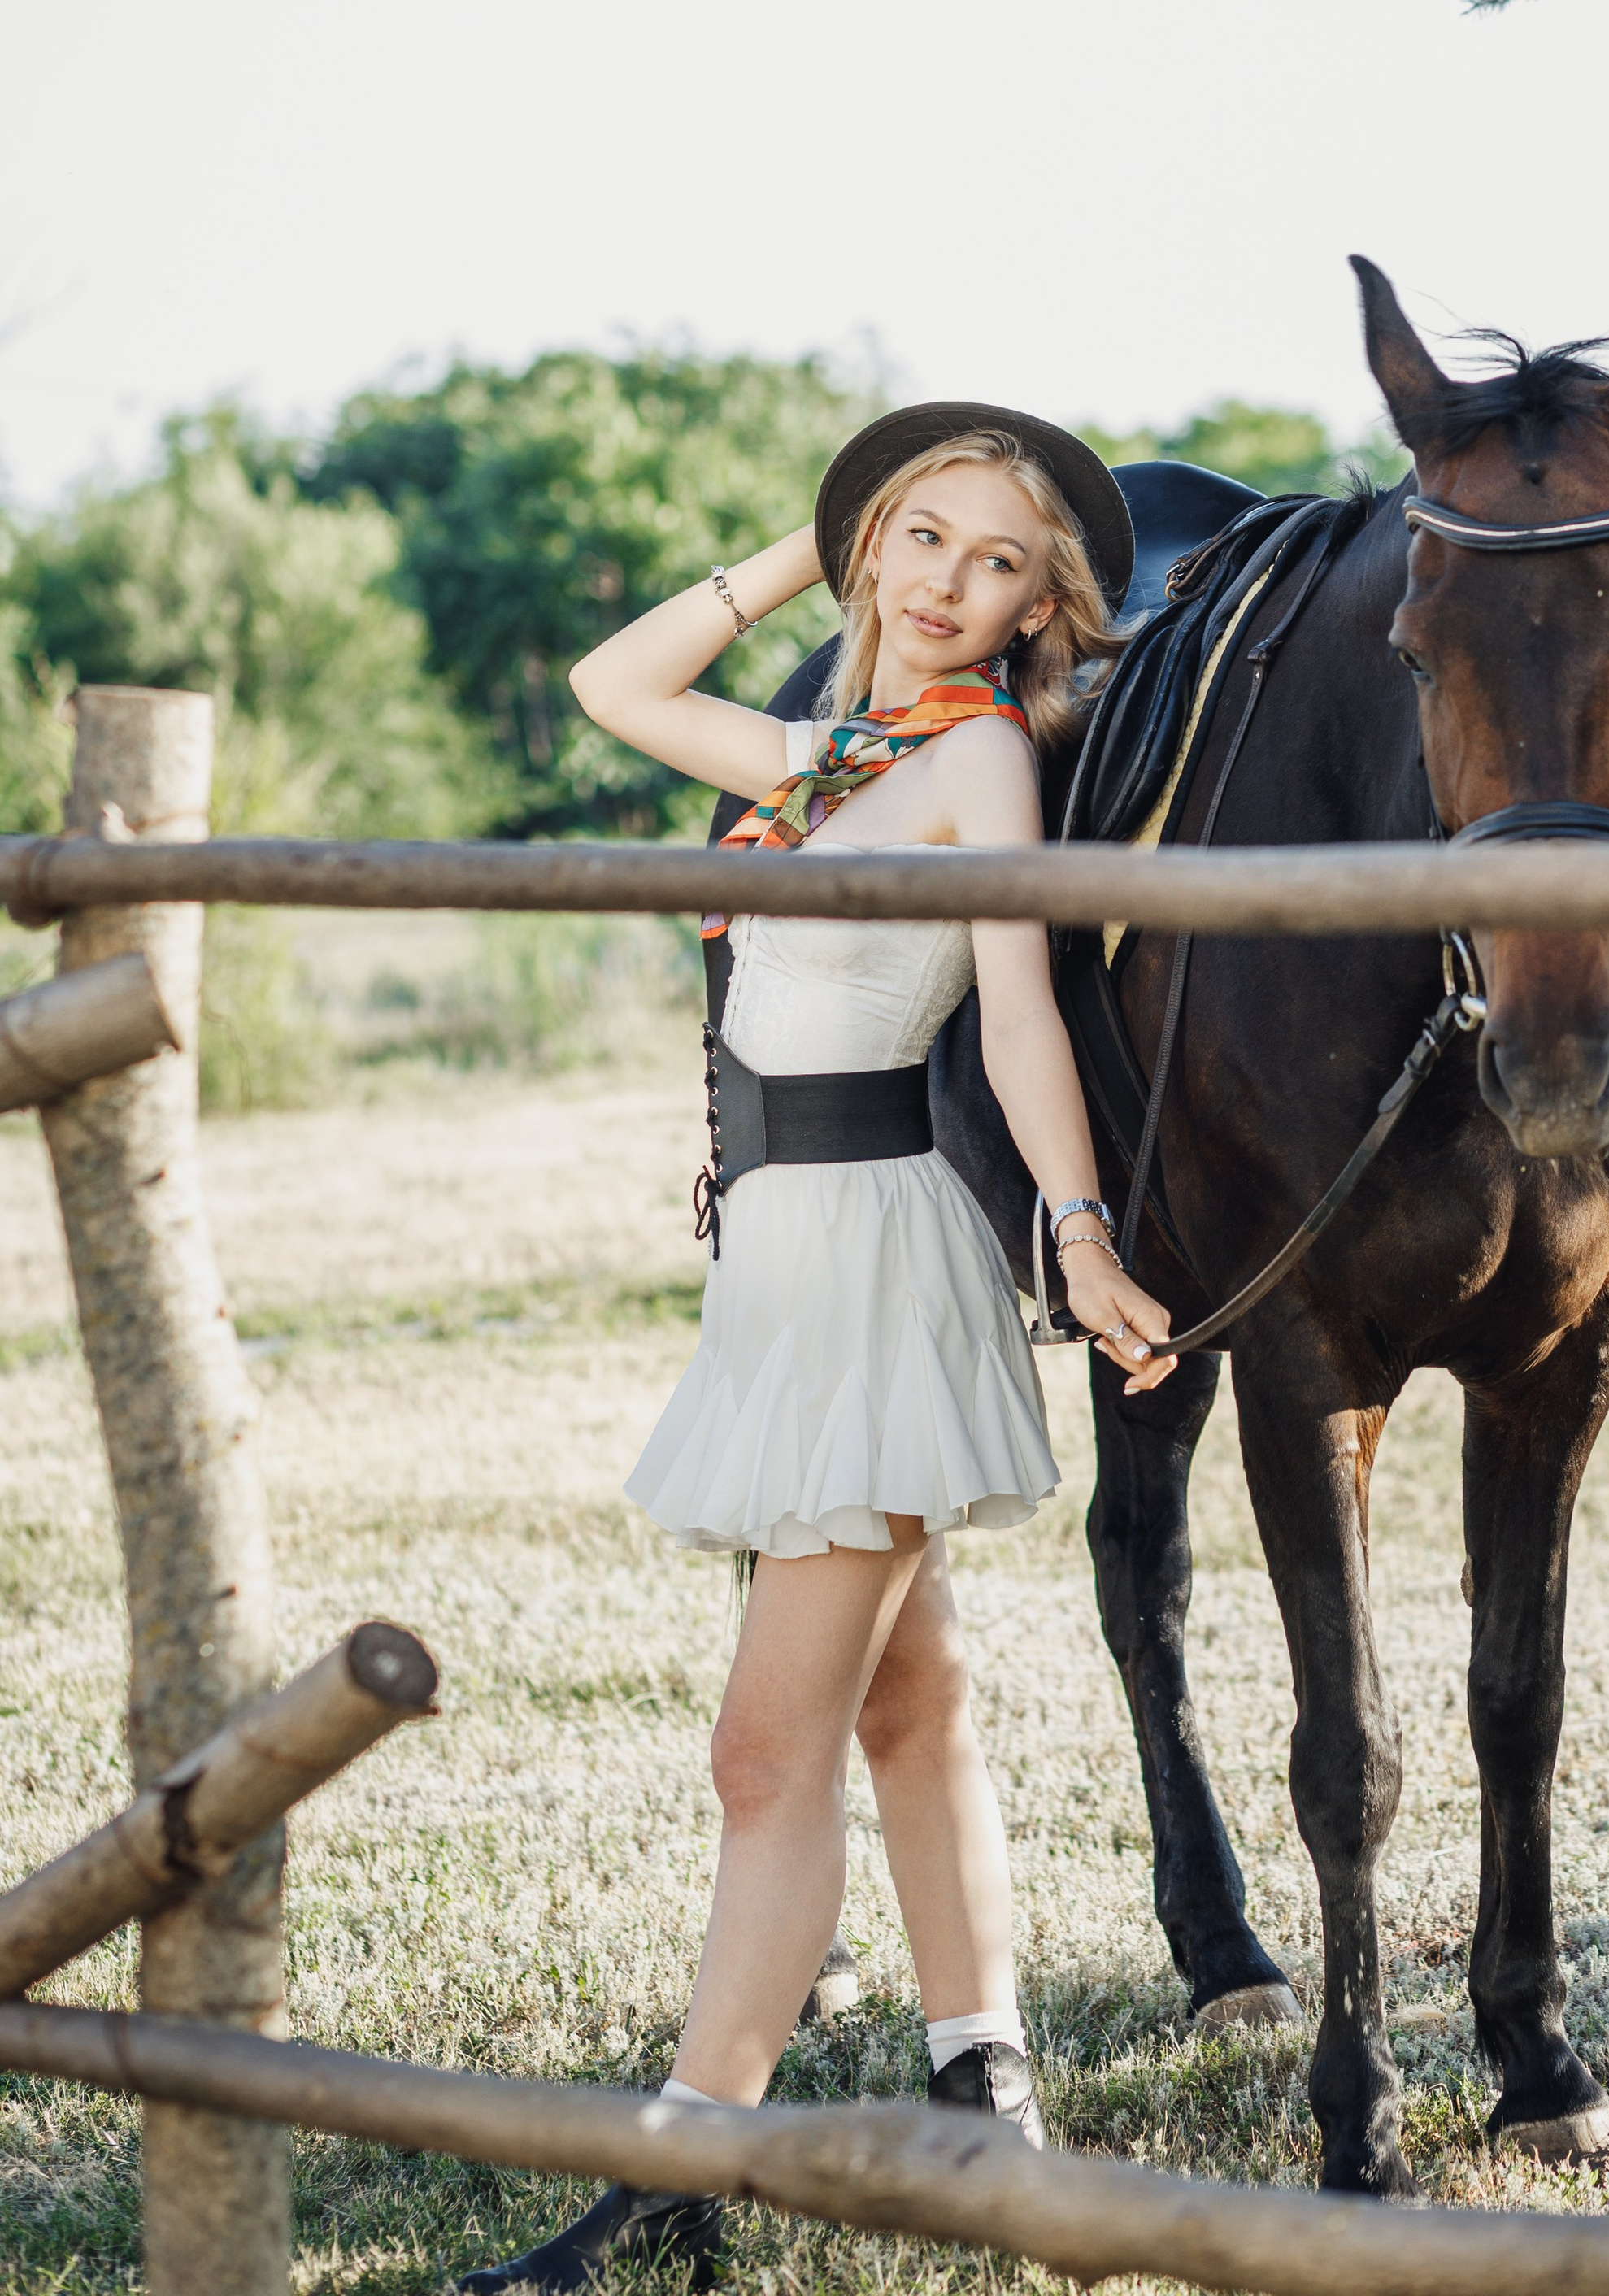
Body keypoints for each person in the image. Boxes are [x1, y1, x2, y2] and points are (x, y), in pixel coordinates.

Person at [459, 405, 1176, 2293]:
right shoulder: (824, 757)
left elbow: (1013, 1019)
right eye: (920, 539)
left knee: (761, 1755)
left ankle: (683, 2173)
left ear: (1037, 608)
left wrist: (1076, 1231)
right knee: (903, 1701)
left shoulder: (977, 763)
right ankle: (980, 2082)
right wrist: (818, 528)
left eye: (996, 562)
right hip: (779, 1259)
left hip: (871, 1259)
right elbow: (616, 684)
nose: (947, 584)